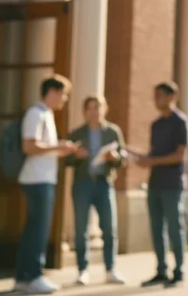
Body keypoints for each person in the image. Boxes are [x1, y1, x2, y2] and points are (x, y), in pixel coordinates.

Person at [13, 75, 79, 295]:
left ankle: (23, 278)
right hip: (36, 179)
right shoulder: (36, 113)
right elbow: (29, 147)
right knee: (38, 231)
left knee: (33, 229)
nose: (65, 99)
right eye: (63, 93)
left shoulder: (47, 114)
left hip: (42, 178)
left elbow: (42, 149)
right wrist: (57, 146)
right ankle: (33, 275)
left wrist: (61, 150)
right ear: (52, 91)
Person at [133, 82, 188, 288]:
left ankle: (179, 271)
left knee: (175, 228)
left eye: (159, 95)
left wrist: (151, 161)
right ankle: (160, 271)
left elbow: (179, 155)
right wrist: (136, 156)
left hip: (173, 185)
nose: (155, 99)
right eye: (154, 95)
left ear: (171, 96)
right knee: (157, 228)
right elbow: (153, 155)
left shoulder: (181, 122)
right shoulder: (155, 125)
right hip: (154, 184)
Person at [65, 95, 127, 286]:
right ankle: (83, 271)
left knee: (109, 228)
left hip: (104, 183)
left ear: (104, 109)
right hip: (82, 183)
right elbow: (66, 160)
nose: (94, 111)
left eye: (98, 107)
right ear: (85, 111)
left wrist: (114, 157)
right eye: (90, 108)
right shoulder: (76, 133)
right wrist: (77, 156)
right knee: (81, 229)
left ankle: (110, 270)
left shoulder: (113, 131)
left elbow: (122, 160)